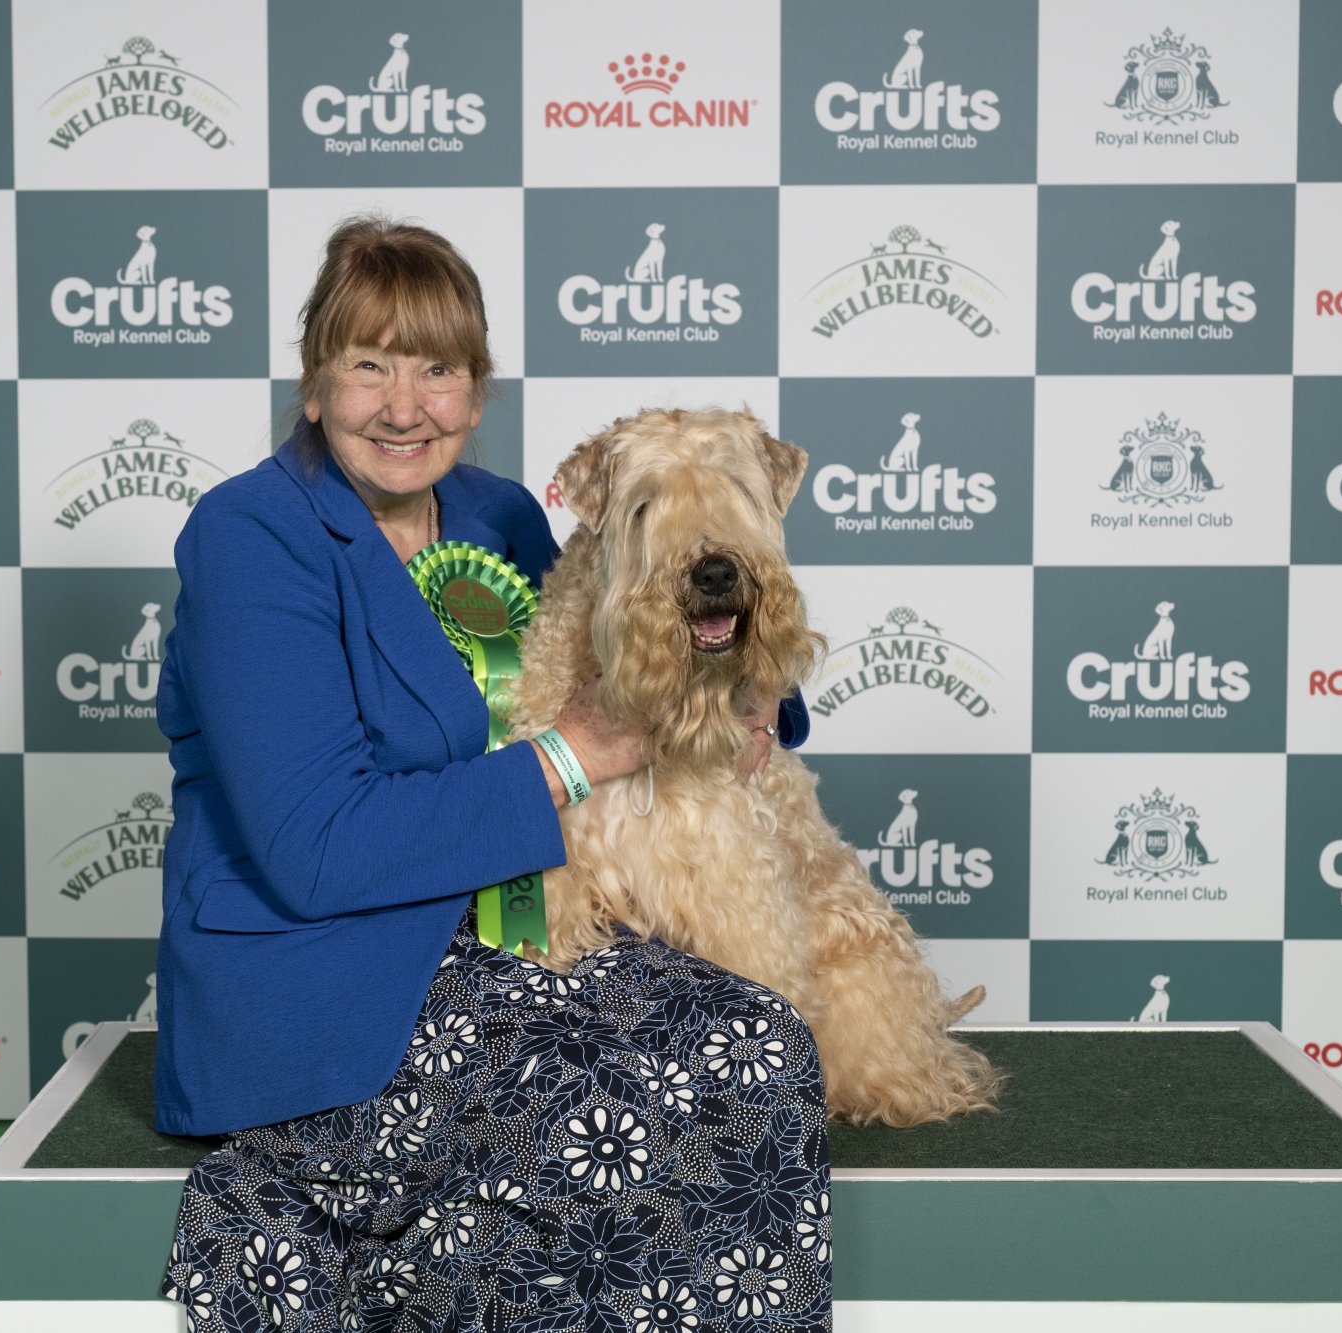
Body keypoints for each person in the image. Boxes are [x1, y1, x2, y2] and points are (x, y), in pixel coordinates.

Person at [155, 215, 831, 1332]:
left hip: (502, 947)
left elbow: (650, 636)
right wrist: (574, 752)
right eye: (367, 365)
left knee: (765, 1035)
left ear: (476, 391)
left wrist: (756, 688)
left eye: (438, 369)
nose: (404, 405)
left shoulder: (498, 513)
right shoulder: (248, 537)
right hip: (318, 990)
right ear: (314, 383)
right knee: (737, 1055)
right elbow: (313, 850)